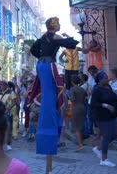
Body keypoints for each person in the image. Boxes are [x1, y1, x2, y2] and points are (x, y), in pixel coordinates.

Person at [28, 17, 79, 174]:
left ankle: (50, 122)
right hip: (48, 65)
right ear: (54, 26)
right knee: (50, 96)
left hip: (41, 65)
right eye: (59, 24)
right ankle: (49, 125)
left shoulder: (43, 36)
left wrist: (41, 56)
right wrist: (68, 37)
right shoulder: (54, 36)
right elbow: (71, 44)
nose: (60, 25)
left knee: (49, 94)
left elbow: (33, 49)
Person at [90, 72, 117, 167]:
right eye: (105, 78)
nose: (107, 79)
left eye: (107, 78)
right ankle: (104, 159)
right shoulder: (97, 89)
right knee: (106, 136)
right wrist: (105, 105)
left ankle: (98, 148)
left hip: (112, 115)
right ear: (100, 79)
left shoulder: (108, 87)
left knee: (114, 135)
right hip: (102, 116)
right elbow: (93, 104)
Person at [69, 74, 87, 151]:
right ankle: (81, 142)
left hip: (76, 108)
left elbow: (72, 99)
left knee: (76, 127)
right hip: (82, 107)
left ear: (72, 82)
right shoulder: (82, 89)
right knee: (81, 126)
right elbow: (85, 98)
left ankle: (80, 144)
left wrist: (68, 96)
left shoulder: (72, 89)